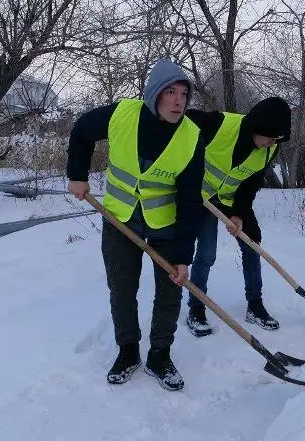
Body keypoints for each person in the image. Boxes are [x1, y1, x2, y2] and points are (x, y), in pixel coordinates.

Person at [66, 59, 205, 391]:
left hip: (166, 226)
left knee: (170, 292)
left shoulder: (191, 137)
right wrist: (77, 175)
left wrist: (185, 256)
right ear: (154, 93)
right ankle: (128, 351)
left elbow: (189, 202)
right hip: (120, 218)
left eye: (184, 94)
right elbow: (82, 132)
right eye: (170, 92)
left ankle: (160, 354)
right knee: (122, 289)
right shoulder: (122, 115)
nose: (178, 101)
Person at [183, 97, 291, 337]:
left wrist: (239, 214)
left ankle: (255, 306)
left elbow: (251, 184)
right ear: (257, 127)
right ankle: (196, 308)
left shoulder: (268, 149)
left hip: (232, 199)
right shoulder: (218, 124)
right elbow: (178, 120)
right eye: (271, 137)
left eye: (277, 139)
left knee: (252, 244)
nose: (273, 143)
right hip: (201, 196)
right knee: (207, 252)